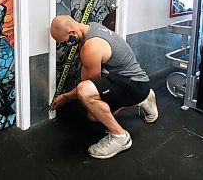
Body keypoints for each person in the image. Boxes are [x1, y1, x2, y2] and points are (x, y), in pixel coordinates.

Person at [50, 15, 158, 159]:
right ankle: (144, 99)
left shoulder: (91, 47)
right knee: (94, 115)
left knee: (85, 92)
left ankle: (119, 137)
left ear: (72, 32)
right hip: (133, 81)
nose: (65, 45)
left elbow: (89, 85)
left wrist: (66, 97)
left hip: (135, 84)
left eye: (64, 42)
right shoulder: (91, 27)